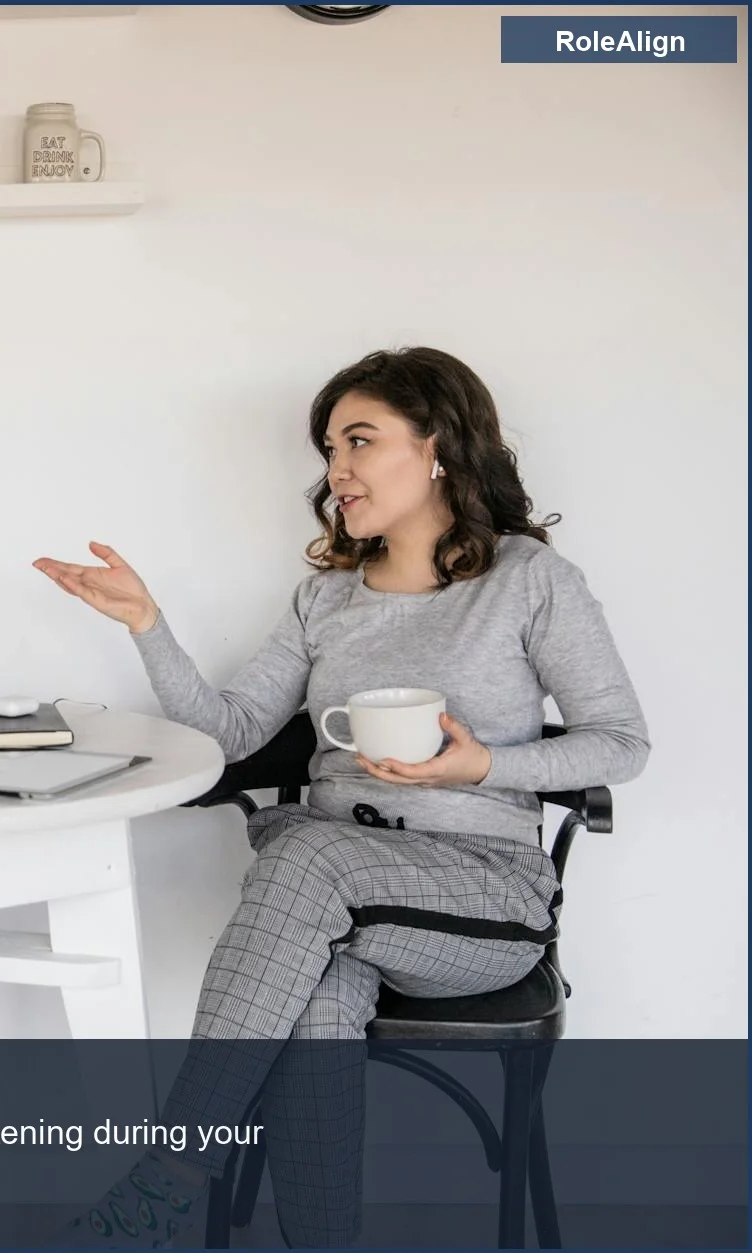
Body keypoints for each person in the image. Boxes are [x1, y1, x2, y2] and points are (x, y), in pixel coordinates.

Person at [34, 347, 649, 1248]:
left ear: (438, 445)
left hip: (479, 895)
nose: (338, 470)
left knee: (305, 851)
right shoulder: (325, 599)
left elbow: (622, 744)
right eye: (330, 448)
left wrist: (481, 769)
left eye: (361, 440)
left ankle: (168, 1174)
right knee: (317, 997)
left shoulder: (529, 580)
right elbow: (233, 736)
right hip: (331, 900)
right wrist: (147, 627)